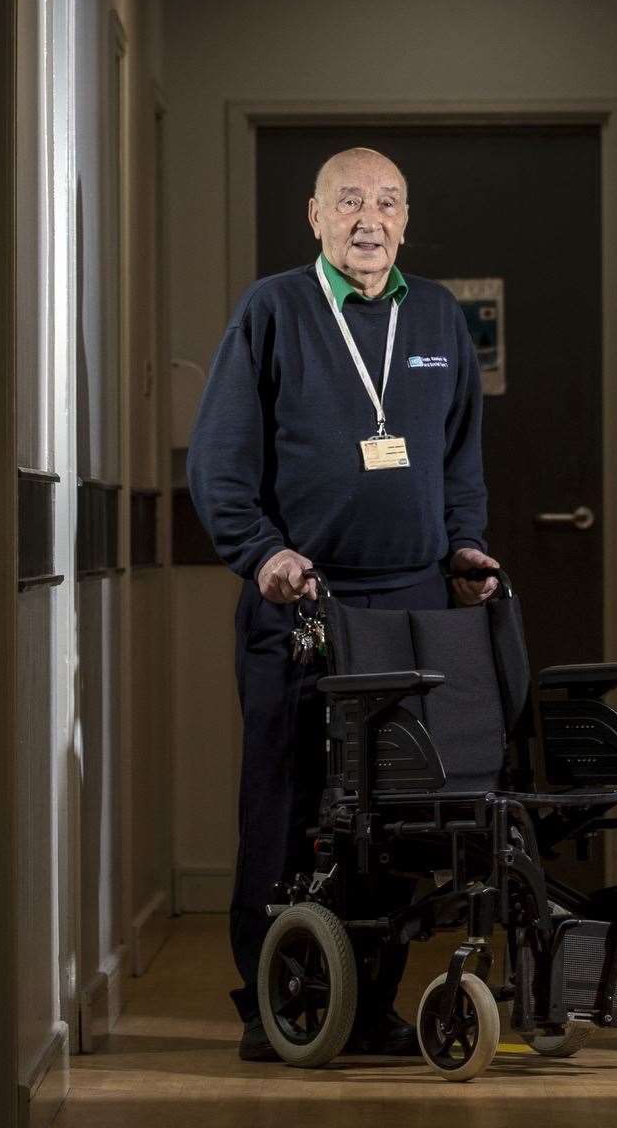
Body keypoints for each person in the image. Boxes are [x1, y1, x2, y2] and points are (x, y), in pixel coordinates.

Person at [188, 147, 500, 1061]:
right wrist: (262, 555)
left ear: (407, 219)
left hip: (408, 608)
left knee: (395, 817)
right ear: (314, 216)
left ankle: (371, 1009)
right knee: (290, 808)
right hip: (303, 605)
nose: (371, 217)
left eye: (389, 202)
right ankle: (277, 1005)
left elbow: (461, 462)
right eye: (350, 201)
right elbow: (219, 464)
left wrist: (464, 548)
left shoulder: (436, 314)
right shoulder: (274, 310)